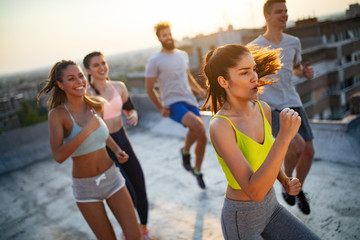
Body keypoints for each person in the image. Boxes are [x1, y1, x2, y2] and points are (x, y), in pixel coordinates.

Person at [202, 44, 320, 239]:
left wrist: (284, 180)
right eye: (244, 72)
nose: (254, 77)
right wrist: (284, 137)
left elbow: (267, 157)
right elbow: (254, 191)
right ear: (223, 81)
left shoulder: (263, 108)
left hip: (272, 208)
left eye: (254, 69)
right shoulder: (221, 127)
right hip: (242, 221)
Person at [37, 60, 142, 240]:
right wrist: (86, 130)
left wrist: (117, 150)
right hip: (85, 189)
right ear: (60, 85)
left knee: (135, 236)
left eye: (80, 76)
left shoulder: (96, 105)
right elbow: (59, 155)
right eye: (71, 78)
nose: (79, 81)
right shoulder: (57, 115)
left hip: (112, 178)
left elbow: (101, 133)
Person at [248, 0, 315, 215]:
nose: (284, 15)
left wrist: (303, 73)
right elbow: (249, 79)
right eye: (279, 12)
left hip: (293, 100)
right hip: (273, 106)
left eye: (286, 11)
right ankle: (287, 183)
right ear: (267, 16)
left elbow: (294, 68)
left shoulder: (294, 42)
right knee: (297, 146)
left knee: (309, 152)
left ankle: (297, 189)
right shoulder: (254, 48)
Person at [83, 51, 152, 240]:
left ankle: (143, 229)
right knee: (126, 194)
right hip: (106, 148)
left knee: (140, 185)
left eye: (103, 63)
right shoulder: (87, 95)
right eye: (96, 65)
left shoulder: (119, 87)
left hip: (123, 140)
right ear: (88, 70)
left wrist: (134, 115)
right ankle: (129, 231)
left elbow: (129, 107)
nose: (101, 67)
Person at [145, 22, 208, 189]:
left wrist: (199, 90)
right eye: (164, 35)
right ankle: (185, 152)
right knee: (197, 126)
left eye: (169, 33)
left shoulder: (182, 55)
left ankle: (198, 171)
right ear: (159, 39)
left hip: (189, 100)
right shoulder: (155, 61)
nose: (168, 37)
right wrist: (159, 108)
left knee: (203, 137)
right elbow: (148, 88)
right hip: (172, 103)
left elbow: (186, 76)